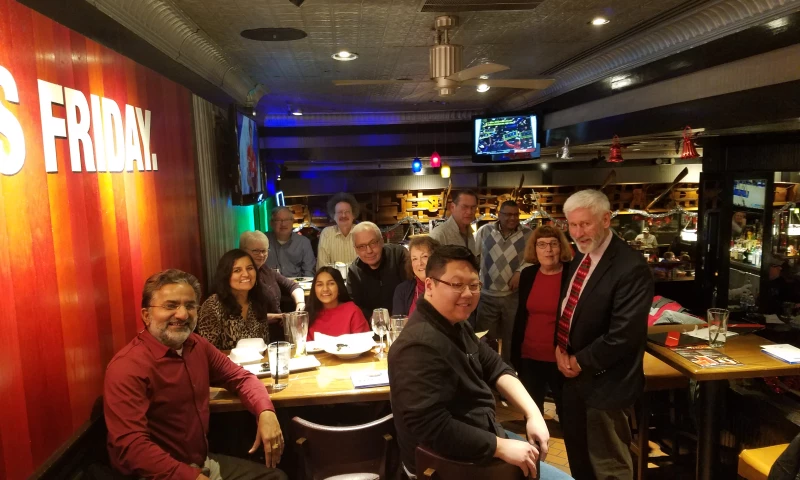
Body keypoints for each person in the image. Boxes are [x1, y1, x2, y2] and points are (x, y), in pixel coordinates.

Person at [388, 246, 572, 480]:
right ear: (430, 285)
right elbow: (430, 427)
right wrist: (501, 447)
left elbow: (495, 366)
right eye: (457, 284)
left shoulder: (455, 322)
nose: (467, 293)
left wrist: (533, 413)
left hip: (480, 439)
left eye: (474, 285)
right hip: (448, 464)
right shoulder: (417, 345)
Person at [104, 269, 288, 480]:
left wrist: (265, 412)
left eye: (190, 306)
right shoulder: (127, 367)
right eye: (170, 306)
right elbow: (132, 447)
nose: (183, 314)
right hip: (158, 474)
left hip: (201, 462)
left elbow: (241, 377)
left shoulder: (196, 345)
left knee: (277, 477)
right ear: (146, 315)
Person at [555, 189, 653, 480]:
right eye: (573, 225)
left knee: (609, 467)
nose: (577, 233)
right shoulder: (581, 256)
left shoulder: (631, 266)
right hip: (573, 379)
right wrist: (559, 348)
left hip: (607, 384)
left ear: (606, 219)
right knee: (580, 462)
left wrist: (578, 361)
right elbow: (570, 307)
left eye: (585, 224)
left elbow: (624, 335)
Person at [510, 225, 573, 418]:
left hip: (561, 357)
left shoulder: (571, 274)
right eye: (542, 245)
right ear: (534, 249)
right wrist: (515, 353)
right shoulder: (528, 275)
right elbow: (522, 315)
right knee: (531, 414)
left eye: (553, 244)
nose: (548, 250)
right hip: (529, 355)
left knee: (567, 413)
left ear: (561, 247)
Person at [474, 200, 532, 362]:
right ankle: (487, 372)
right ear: (499, 215)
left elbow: (533, 258)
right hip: (486, 296)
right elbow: (473, 255)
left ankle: (509, 371)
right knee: (485, 339)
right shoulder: (485, 231)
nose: (512, 218)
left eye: (516, 215)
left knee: (511, 339)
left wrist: (520, 271)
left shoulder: (528, 234)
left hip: (512, 296)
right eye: (508, 214)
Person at [197, 250, 271, 350]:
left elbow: (264, 343)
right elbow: (207, 351)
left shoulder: (258, 300)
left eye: (249, 268)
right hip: (225, 360)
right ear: (225, 275)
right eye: (237, 270)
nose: (246, 274)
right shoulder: (213, 305)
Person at [347, 221, 409, 319]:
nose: (369, 251)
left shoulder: (398, 255)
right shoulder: (354, 271)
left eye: (373, 243)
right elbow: (355, 306)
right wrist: (376, 319)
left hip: (403, 321)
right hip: (372, 324)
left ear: (382, 241)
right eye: (362, 246)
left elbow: (412, 293)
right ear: (356, 249)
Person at [240, 231, 305, 315]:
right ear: (243, 251)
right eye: (255, 251)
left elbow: (292, 285)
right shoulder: (242, 277)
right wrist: (279, 317)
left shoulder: (265, 270)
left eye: (264, 251)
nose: (261, 255)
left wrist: (300, 303)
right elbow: (249, 316)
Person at [306, 266, 370, 339]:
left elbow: (363, 341)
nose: (325, 289)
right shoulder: (309, 314)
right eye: (320, 285)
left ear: (339, 287)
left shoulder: (353, 311)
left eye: (331, 283)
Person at [393, 236, 440, 316]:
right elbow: (398, 322)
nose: (419, 263)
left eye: (424, 256)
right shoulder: (402, 290)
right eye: (414, 259)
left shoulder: (447, 287)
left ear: (436, 259)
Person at [265, 206, 315, 278]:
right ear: (271, 223)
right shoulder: (262, 241)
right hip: (270, 284)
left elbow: (309, 272)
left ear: (292, 222)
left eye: (287, 220)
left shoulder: (303, 242)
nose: (283, 224)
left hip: (297, 284)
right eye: (278, 220)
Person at [429, 190, 480, 256]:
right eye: (464, 207)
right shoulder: (439, 235)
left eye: (473, 207)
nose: (469, 212)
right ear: (452, 207)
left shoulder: (469, 232)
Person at [317, 192, 360, 270]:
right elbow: (322, 267)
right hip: (334, 278)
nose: (343, 215)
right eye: (340, 212)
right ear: (334, 216)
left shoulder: (361, 231)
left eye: (347, 212)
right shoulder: (326, 234)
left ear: (353, 215)